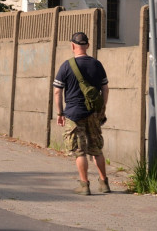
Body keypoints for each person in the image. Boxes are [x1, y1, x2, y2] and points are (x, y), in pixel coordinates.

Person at [53, 31, 110, 195]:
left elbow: (57, 92)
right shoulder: (96, 64)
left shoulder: (66, 65)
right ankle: (104, 183)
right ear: (88, 46)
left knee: (80, 151)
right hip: (93, 113)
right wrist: (101, 110)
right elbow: (105, 89)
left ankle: (84, 186)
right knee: (97, 149)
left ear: (72, 46)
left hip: (73, 114)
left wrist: (60, 113)